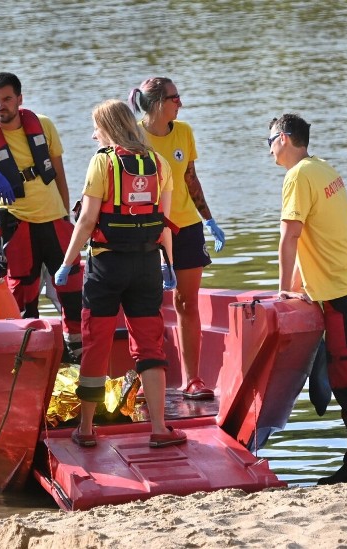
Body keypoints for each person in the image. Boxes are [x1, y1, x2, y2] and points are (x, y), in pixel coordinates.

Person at [54, 99, 186, 448]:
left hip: (106, 266)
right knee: (150, 346)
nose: (93, 134)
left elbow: (86, 220)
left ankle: (85, 429)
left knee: (95, 343)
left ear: (109, 128)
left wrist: (67, 263)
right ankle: (159, 429)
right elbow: (165, 224)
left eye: (96, 127)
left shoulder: (103, 162)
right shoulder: (159, 164)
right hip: (146, 266)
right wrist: (167, 266)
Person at [268, 113, 347, 484]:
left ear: (284, 138)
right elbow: (314, 239)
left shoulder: (297, 175)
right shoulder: (322, 168)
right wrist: (300, 284)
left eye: (268, 140)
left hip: (339, 291)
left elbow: (291, 236)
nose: (268, 148)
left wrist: (284, 289)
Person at [0, 72, 83, 362]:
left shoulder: (43, 125)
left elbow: (59, 173)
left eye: (7, 99)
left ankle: (78, 351)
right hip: (17, 221)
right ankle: (29, 354)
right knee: (23, 292)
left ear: (20, 100)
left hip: (55, 220)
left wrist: (66, 216)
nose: (0, 106)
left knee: (72, 289)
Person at [129, 77, 226, 400]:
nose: (180, 103)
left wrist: (208, 218)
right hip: (148, 229)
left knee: (186, 302)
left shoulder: (183, 132)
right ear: (157, 103)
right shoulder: (134, 137)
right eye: (174, 98)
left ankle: (192, 379)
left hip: (186, 227)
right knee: (147, 303)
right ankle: (148, 380)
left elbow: (190, 178)